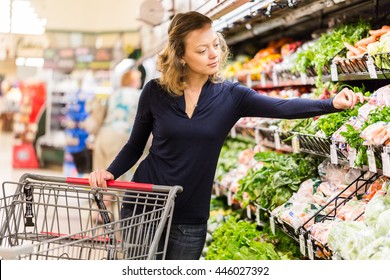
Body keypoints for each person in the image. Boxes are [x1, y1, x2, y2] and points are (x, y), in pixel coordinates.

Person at [89, 11, 367, 259]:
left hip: (190, 215)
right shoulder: (154, 91)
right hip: (144, 206)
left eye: (215, 45)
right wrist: (110, 172)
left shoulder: (232, 96)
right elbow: (135, 145)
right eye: (202, 50)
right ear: (181, 56)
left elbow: (283, 107)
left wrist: (331, 103)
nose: (214, 54)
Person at [91, 68, 143, 218]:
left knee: (99, 178)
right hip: (121, 138)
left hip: (103, 136)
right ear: (133, 81)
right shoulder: (138, 95)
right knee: (113, 180)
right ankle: (103, 215)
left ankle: (96, 213)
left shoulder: (112, 94)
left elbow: (98, 115)